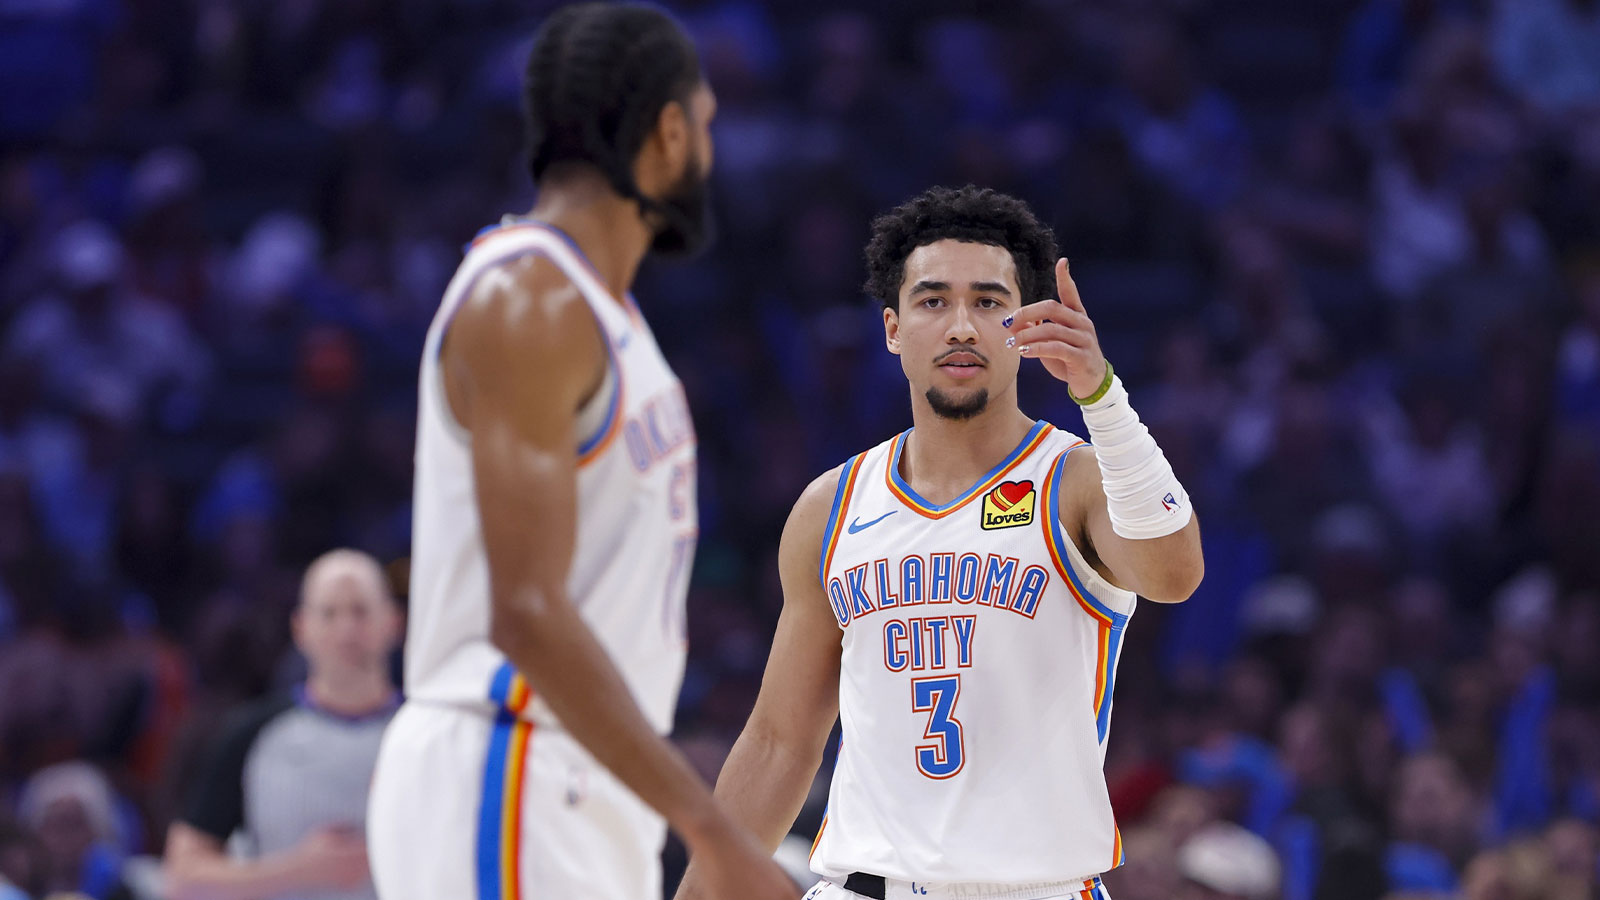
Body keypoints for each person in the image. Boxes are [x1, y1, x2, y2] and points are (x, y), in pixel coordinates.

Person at [364, 4, 795, 899]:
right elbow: (526, 612)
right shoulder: (532, 299)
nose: (708, 156)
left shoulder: (607, 317)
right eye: (705, 126)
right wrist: (713, 831)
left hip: (581, 775)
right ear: (668, 132)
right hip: (511, 753)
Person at [677, 186, 1205, 899]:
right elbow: (779, 743)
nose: (961, 326)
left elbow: (1174, 575)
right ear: (893, 329)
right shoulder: (831, 507)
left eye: (988, 302)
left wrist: (1101, 396)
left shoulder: (1075, 481)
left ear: (1026, 324)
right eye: (933, 301)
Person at [162, 549, 401, 900]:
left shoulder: (424, 736)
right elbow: (182, 879)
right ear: (301, 628)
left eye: (360, 611)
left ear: (393, 622)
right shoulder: (253, 734)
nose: (347, 631)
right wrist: (298, 870)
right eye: (329, 613)